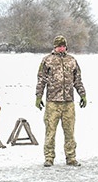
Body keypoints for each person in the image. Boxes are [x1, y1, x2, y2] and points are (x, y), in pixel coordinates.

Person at [35, 35, 86, 167]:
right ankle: (49, 157)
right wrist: (38, 96)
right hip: (52, 102)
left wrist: (82, 95)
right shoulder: (47, 60)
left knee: (69, 132)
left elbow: (77, 80)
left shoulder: (72, 60)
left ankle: (71, 157)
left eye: (62, 46)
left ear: (66, 46)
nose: (61, 48)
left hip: (68, 102)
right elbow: (41, 79)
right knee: (50, 131)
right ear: (54, 47)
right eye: (58, 46)